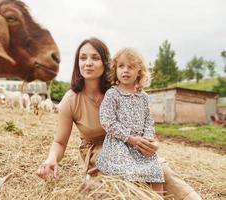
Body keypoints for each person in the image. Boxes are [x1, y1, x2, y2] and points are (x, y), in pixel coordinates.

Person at [36, 37, 202, 200]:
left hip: (131, 144)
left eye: (95, 58)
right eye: (83, 58)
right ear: (77, 63)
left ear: (106, 64)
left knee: (160, 169)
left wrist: (151, 142)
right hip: (99, 150)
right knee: (125, 176)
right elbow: (59, 142)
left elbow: (143, 119)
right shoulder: (70, 99)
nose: (88, 63)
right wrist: (51, 159)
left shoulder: (120, 90)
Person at [95, 48, 164, 195]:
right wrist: (130, 138)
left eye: (131, 66)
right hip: (120, 144)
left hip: (141, 145)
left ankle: (158, 197)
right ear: (115, 70)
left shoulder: (143, 97)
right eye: (121, 66)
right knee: (127, 171)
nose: (125, 70)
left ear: (139, 71)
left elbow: (149, 121)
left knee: (157, 170)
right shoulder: (113, 94)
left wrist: (147, 139)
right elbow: (107, 120)